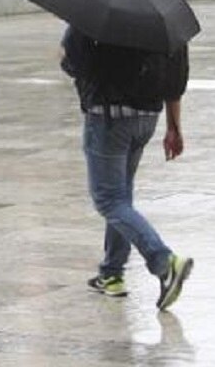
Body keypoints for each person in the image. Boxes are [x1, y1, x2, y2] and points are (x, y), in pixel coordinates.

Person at [59, 26, 193, 311]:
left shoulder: (94, 13)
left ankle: (164, 261)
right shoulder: (162, 17)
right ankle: (112, 273)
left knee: (109, 200)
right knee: (122, 197)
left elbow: (73, 61)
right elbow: (175, 78)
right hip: (146, 118)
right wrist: (174, 127)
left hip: (108, 120)